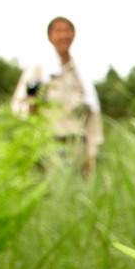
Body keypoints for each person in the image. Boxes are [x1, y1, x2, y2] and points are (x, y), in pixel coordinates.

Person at [11, 17, 104, 176]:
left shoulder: (81, 74)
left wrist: (91, 154)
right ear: (50, 37)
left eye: (67, 30)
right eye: (58, 31)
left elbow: (92, 114)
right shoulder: (39, 71)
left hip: (77, 146)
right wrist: (31, 112)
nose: (63, 35)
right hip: (50, 145)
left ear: (73, 34)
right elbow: (21, 104)